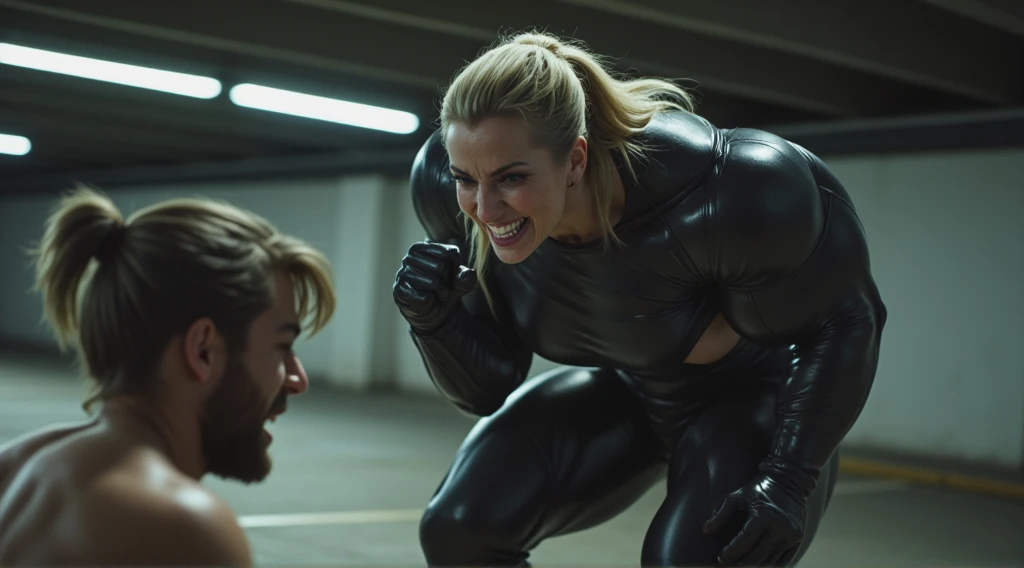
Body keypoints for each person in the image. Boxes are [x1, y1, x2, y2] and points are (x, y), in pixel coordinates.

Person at [393, 31, 886, 567]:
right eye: (469, 178)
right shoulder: (445, 192)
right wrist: (434, 320)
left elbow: (848, 321)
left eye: (512, 178)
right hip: (627, 389)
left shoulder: (726, 190)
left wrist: (789, 479)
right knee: (458, 530)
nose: (485, 209)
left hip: (749, 400)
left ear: (575, 160)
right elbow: (489, 387)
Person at [0, 186, 336, 566]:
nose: (297, 378)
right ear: (202, 350)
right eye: (282, 346)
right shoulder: (180, 526)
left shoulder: (14, 466)